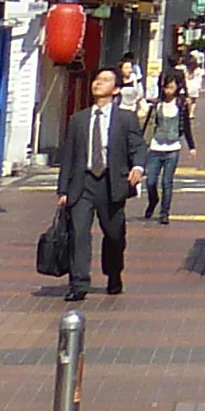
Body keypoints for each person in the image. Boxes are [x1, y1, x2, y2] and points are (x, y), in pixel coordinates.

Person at [59, 64, 142, 297]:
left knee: (114, 234)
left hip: (111, 184)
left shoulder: (126, 119)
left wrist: (137, 166)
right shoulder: (79, 119)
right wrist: (62, 190)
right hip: (82, 184)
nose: (98, 83)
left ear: (116, 90)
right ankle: (78, 284)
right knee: (79, 233)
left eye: (105, 80)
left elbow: (137, 146)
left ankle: (114, 273)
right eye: (97, 79)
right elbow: (69, 157)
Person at [139, 70, 196, 222]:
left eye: (172, 87)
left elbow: (186, 126)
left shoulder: (180, 105)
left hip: (173, 148)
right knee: (150, 181)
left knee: (167, 182)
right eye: (167, 87)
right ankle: (153, 201)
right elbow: (148, 126)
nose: (170, 90)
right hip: (156, 147)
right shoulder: (157, 106)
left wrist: (191, 146)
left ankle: (164, 213)